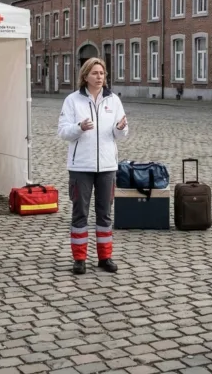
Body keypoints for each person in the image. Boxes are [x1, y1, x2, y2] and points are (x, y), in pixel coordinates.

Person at [57, 57, 129, 275]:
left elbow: (121, 133)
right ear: (85, 76)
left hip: (107, 166)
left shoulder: (113, 100)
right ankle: (79, 259)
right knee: (80, 213)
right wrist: (79, 127)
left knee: (105, 214)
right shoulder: (72, 100)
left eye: (102, 73)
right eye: (95, 73)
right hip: (81, 166)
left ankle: (105, 257)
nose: (99, 77)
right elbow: (63, 131)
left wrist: (120, 128)